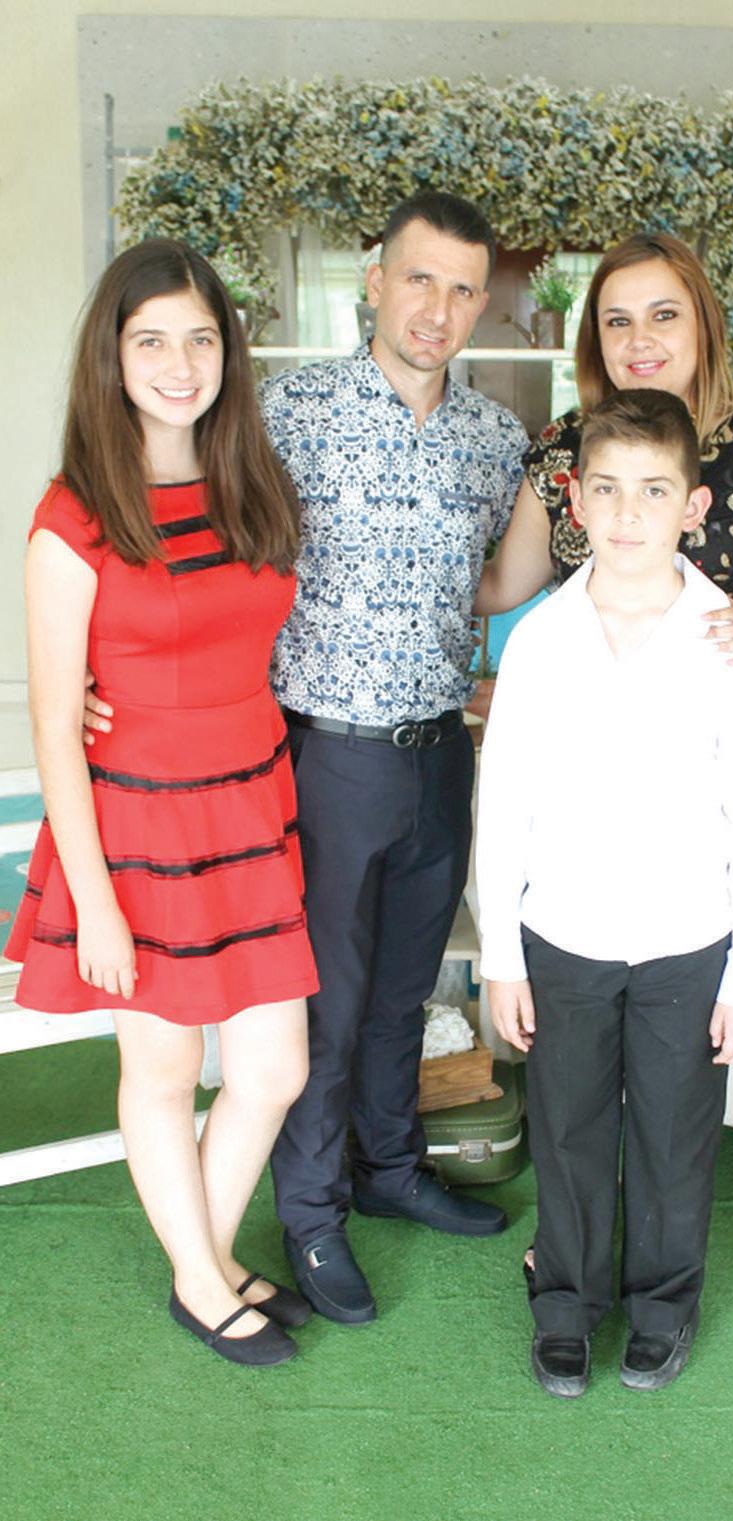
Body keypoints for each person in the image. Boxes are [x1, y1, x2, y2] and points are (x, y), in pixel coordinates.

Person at [7, 239, 319, 1367]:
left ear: (228, 352)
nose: (179, 364)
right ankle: (202, 1279)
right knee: (166, 1070)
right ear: (114, 355)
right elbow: (56, 725)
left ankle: (205, 1260)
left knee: (275, 1068)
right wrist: (94, 903)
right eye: (151, 341)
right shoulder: (73, 516)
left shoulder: (250, 483)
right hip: (137, 825)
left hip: (250, 810)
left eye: (199, 339)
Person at [476, 389, 733, 1399]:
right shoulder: (539, 640)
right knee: (567, 1129)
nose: (627, 512)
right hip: (562, 935)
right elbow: (504, 806)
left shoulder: (726, 642)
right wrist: (502, 957)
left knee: (673, 1137)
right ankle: (565, 1305)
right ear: (574, 499)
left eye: (654, 491)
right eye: (606, 489)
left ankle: (662, 1309)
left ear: (692, 507)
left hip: (690, 943)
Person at [258, 191, 528, 1322]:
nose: (439, 309)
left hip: (440, 753)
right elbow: (217, 558)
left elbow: (500, 583)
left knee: (406, 990)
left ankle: (390, 1168)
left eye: (463, 289)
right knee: (328, 999)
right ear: (375, 282)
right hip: (327, 752)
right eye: (420, 279)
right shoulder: (288, 411)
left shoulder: (496, 439)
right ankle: (312, 1214)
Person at [474, 230, 733, 670]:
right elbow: (502, 586)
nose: (640, 339)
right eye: (618, 322)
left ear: (702, 326)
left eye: (664, 315)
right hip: (588, 701)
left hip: (712, 701)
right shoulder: (563, 447)